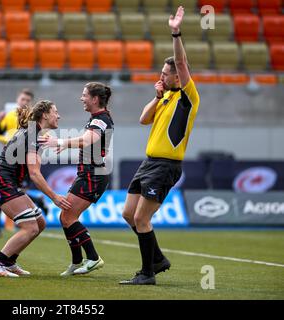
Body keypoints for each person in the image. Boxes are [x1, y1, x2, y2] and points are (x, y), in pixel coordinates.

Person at [119, 6, 200, 285]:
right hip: (149, 163)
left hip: (165, 165)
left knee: (142, 218)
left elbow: (182, 62)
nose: (162, 76)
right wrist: (157, 96)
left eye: (167, 73)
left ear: (179, 75)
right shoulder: (166, 97)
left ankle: (147, 273)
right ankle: (158, 258)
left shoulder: (188, 97)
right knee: (128, 213)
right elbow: (143, 119)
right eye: (163, 72)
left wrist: (175, 33)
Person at [0, 100, 71, 277]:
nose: (59, 116)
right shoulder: (32, 134)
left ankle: (9, 262)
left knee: (40, 224)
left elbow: (33, 167)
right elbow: (34, 174)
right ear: (45, 115)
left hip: (8, 182)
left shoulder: (33, 133)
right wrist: (54, 197)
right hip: (1, 182)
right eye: (55, 112)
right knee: (30, 227)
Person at [39, 82, 114, 276]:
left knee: (68, 216)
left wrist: (61, 141)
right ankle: (77, 261)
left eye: (84, 95)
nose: (81, 98)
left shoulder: (101, 119)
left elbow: (88, 140)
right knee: (65, 216)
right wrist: (68, 146)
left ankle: (93, 258)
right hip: (88, 174)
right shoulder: (97, 118)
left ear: (95, 99)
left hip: (94, 176)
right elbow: (87, 142)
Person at [0, 88, 49, 238]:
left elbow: (40, 135)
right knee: (4, 193)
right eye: (23, 99)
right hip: (8, 160)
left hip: (22, 163)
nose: (25, 102)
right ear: (17, 99)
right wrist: (9, 142)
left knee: (18, 192)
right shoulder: (8, 116)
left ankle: (8, 227)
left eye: (28, 101)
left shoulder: (33, 117)